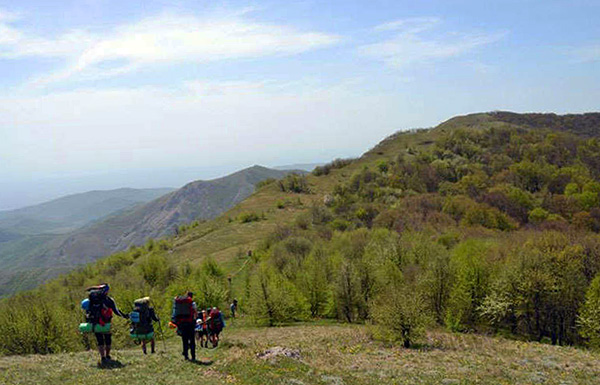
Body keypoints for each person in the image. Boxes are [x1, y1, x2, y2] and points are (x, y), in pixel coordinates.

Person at [84, 283, 129, 365]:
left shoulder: (92, 300)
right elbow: (116, 311)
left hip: (95, 322)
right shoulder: (109, 300)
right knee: (108, 339)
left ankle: (103, 357)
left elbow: (87, 311)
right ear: (106, 291)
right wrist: (125, 316)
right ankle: (107, 355)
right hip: (106, 322)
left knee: (99, 340)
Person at [171, 291, 197, 361]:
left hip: (182, 323)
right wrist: (195, 321)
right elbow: (195, 313)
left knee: (184, 340)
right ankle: (193, 356)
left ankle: (186, 356)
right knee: (192, 340)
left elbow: (174, 312)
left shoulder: (179, 303)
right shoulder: (192, 303)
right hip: (190, 323)